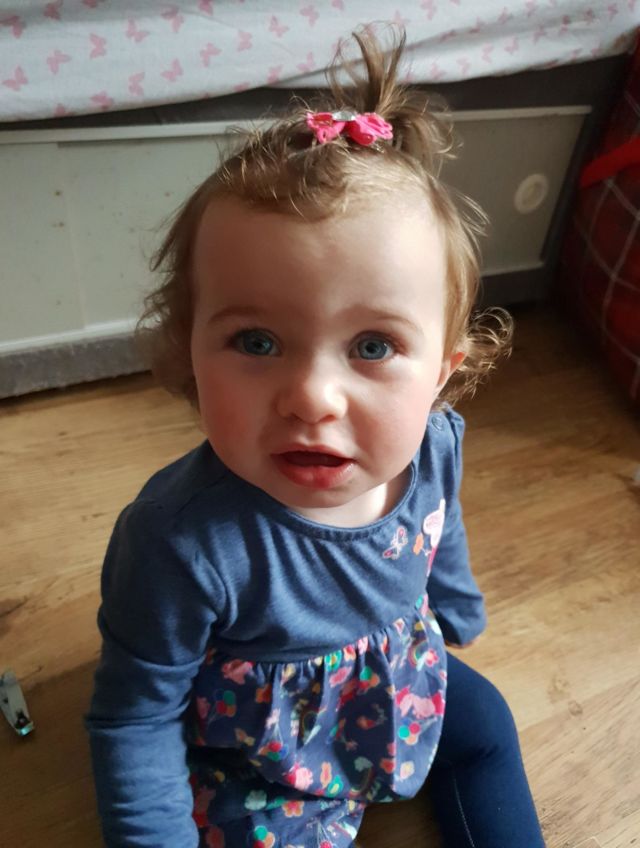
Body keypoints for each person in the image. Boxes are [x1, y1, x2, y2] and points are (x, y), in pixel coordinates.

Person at [86, 29, 546, 848]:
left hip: (394, 677)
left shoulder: (435, 441)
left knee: (487, 728)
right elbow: (133, 718)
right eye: (257, 341)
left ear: (441, 374)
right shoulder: (177, 541)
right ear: (188, 349)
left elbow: (439, 525)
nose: (311, 398)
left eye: (373, 346)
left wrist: (453, 599)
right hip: (259, 758)